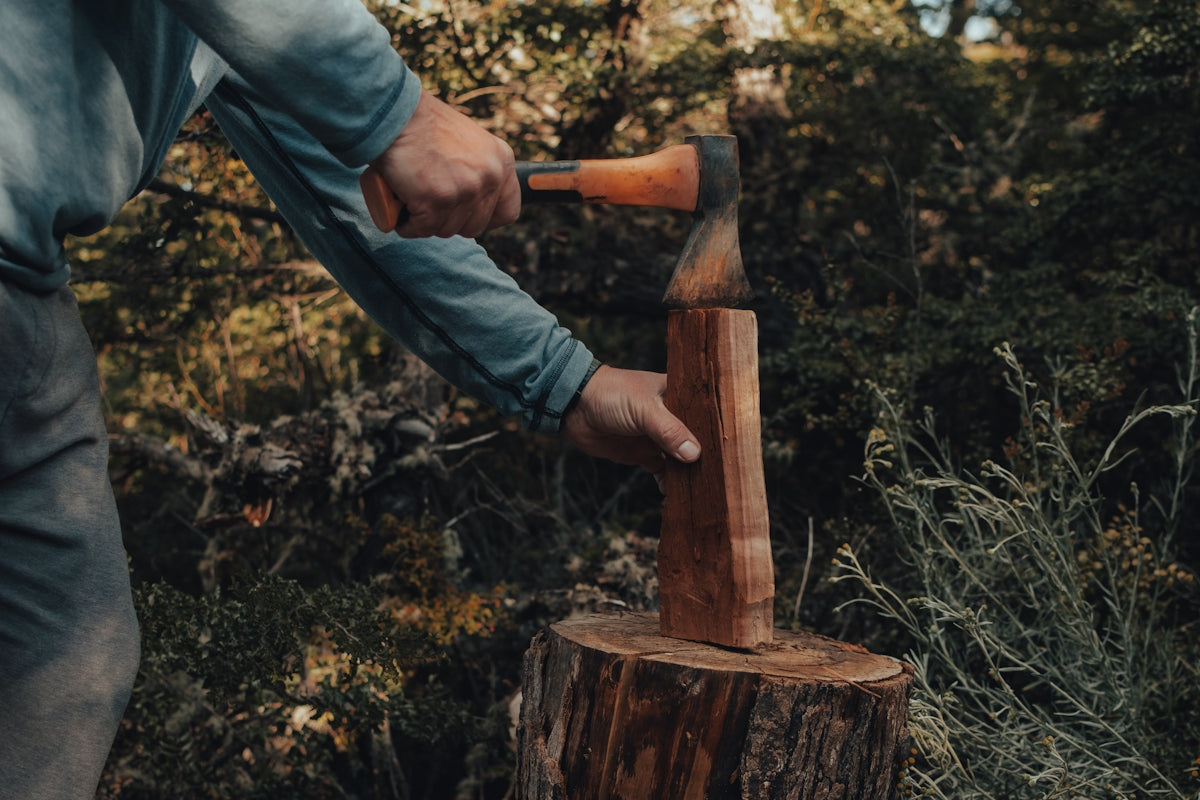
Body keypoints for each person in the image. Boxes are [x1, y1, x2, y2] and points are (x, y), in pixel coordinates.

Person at [0, 1, 700, 797]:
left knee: (64, 658)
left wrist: (570, 383)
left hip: (26, 305)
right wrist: (397, 112)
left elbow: (356, 198)